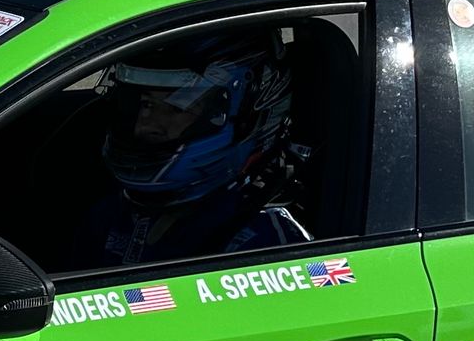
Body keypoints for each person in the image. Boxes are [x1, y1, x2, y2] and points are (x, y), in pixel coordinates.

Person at [84, 31, 307, 266]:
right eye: (147, 104)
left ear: (246, 117)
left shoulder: (264, 242)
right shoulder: (111, 214)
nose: (148, 124)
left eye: (177, 108)